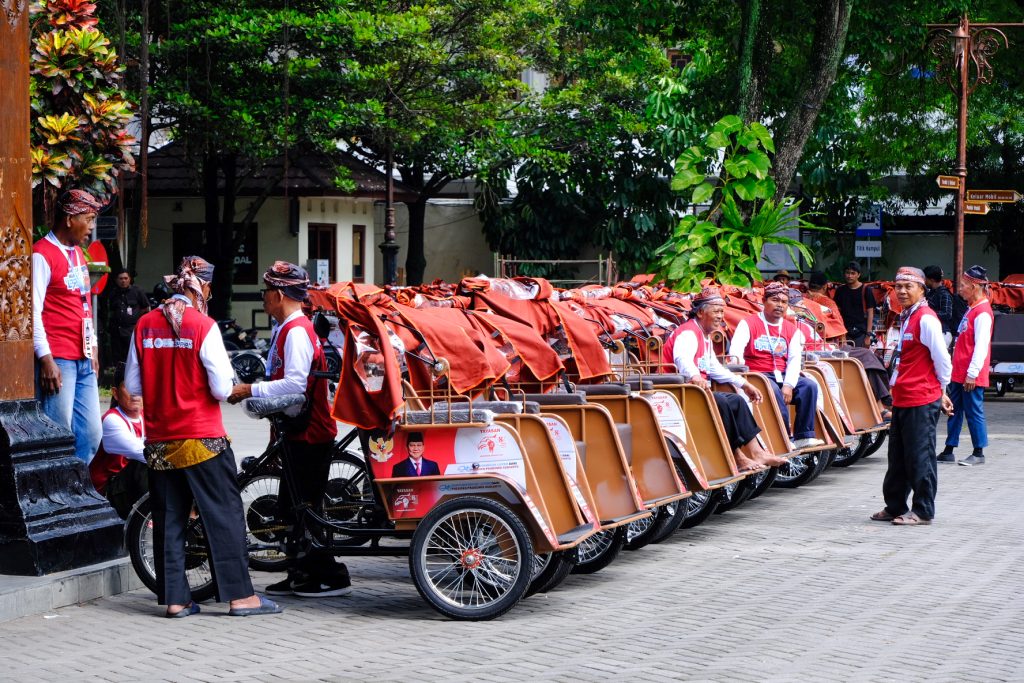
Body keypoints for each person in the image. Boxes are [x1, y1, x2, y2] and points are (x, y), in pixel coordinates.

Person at [126, 255, 281, 618]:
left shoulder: (145, 325)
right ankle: (241, 597)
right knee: (223, 514)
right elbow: (220, 388)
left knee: (169, 517)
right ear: (204, 287)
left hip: (160, 441)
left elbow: (132, 385)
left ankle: (176, 600)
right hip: (201, 438)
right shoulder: (203, 325)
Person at [228, 261, 351, 598]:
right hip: (297, 431)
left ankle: (328, 576)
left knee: (307, 509)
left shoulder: (297, 331)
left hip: (310, 433)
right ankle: (299, 573)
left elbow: (295, 384)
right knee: (292, 508)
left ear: (279, 294)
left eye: (266, 292)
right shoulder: (288, 328)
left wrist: (249, 390)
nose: (264, 298)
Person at [663, 287, 787, 472]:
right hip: (680, 391)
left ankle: (756, 451)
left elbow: (714, 367)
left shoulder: (704, 336)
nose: (721, 316)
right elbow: (683, 359)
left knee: (736, 400)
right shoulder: (688, 333)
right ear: (700, 312)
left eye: (722, 311)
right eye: (716, 311)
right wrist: (695, 375)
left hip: (698, 391)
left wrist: (744, 384)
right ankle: (737, 456)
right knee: (723, 403)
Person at [870, 267, 952, 527]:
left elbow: (942, 359)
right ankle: (894, 505)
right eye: (898, 286)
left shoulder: (926, 318)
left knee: (920, 457)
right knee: (898, 458)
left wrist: (942, 391)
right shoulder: (907, 316)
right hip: (904, 398)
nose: (902, 291)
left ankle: (923, 510)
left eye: (909, 286)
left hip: (922, 398)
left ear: (921, 289)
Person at [32, 189, 104, 464]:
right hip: (59, 359)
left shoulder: (77, 255)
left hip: (84, 358)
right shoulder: (42, 254)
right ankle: (58, 496)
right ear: (70, 219)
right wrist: (46, 359)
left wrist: (94, 346)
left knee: (91, 434)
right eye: (89, 218)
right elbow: (33, 312)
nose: (92, 227)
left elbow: (84, 305)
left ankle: (77, 492)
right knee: (58, 435)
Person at [729, 281, 825, 450]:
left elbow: (795, 360)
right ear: (764, 301)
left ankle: (804, 436)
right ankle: (783, 437)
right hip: (758, 375)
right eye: (775, 300)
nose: (780, 305)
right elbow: (736, 354)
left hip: (782, 374)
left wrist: (788, 385)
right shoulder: (748, 323)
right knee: (773, 390)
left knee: (809, 386)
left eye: (784, 301)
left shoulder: (791, 329)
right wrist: (743, 378)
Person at [788, 288, 893, 421]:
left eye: (802, 304)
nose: (802, 307)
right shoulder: (791, 322)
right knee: (866, 357)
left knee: (874, 356)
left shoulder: (804, 318)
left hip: (829, 348)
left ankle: (884, 401)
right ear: (790, 306)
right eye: (798, 305)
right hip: (820, 353)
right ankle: (881, 407)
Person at [939, 266, 993, 466]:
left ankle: (978, 452)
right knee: (954, 410)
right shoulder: (972, 308)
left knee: (973, 411)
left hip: (970, 373)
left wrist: (972, 373)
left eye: (962, 285)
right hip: (959, 372)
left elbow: (981, 346)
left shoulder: (983, 313)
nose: (959, 289)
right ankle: (949, 449)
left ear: (974, 286)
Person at [88, 362, 148, 518]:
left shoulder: (148, 417)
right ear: (115, 393)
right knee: (150, 463)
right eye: (129, 387)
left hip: (129, 488)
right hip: (107, 493)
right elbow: (144, 454)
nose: (135, 393)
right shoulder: (112, 420)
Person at [106, 268, 150, 365]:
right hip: (117, 332)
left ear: (130, 279)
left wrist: (137, 319)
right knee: (118, 359)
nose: (123, 281)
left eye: (125, 278)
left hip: (131, 330)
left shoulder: (137, 291)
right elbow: (111, 311)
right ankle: (119, 378)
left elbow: (146, 308)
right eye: (121, 278)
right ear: (117, 280)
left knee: (131, 358)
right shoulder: (113, 293)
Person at [833, 261, 874, 347]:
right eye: (847, 273)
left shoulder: (866, 290)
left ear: (858, 275)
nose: (849, 276)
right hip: (844, 333)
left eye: (853, 273)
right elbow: (836, 312)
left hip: (861, 333)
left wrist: (868, 336)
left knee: (860, 358)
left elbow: (870, 313)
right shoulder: (840, 290)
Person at [924, 265, 955, 347]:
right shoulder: (930, 293)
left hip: (942, 333)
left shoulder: (944, 294)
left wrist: (928, 314)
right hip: (932, 332)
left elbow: (947, 314)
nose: (924, 281)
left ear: (932, 280)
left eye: (926, 279)